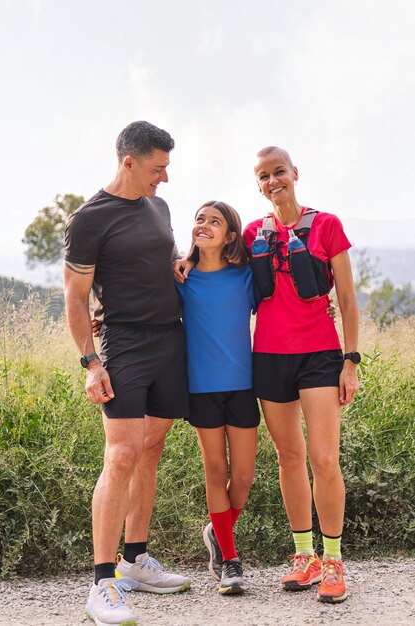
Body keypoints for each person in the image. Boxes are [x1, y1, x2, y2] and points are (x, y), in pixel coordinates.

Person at [63, 121, 190, 626]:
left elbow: (155, 261)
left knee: (150, 448)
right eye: (158, 168)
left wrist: (178, 265)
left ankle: (134, 558)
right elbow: (75, 295)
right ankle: (101, 585)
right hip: (125, 345)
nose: (164, 178)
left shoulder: (158, 207)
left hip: (170, 340)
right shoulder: (89, 218)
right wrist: (91, 362)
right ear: (129, 162)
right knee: (120, 455)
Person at [243, 146, 360, 604]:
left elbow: (347, 300)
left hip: (319, 355)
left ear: (295, 173)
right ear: (258, 183)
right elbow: (214, 263)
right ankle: (304, 557)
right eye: (263, 176)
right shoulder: (253, 232)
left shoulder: (326, 225)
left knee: (324, 459)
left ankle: (333, 561)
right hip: (268, 356)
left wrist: (350, 360)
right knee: (288, 457)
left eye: (279, 172)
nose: (273, 181)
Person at [175, 200, 260, 595]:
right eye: (199, 219)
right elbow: (146, 305)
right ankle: (229, 559)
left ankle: (216, 530)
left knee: (242, 477)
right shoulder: (180, 277)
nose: (204, 225)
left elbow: (280, 304)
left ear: (230, 236)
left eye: (215, 221)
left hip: (242, 385)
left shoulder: (245, 277)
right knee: (216, 471)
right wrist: (104, 317)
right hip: (201, 388)